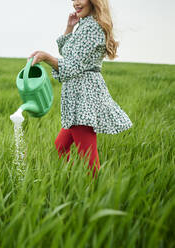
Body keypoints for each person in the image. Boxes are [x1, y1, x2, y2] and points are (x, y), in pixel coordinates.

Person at [28, 0, 132, 177]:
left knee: (89, 162)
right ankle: (73, 181)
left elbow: (72, 66)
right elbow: (68, 53)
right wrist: (69, 28)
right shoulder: (84, 25)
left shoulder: (92, 27)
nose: (75, 2)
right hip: (76, 97)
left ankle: (94, 193)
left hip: (82, 97)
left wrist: (46, 57)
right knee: (60, 147)